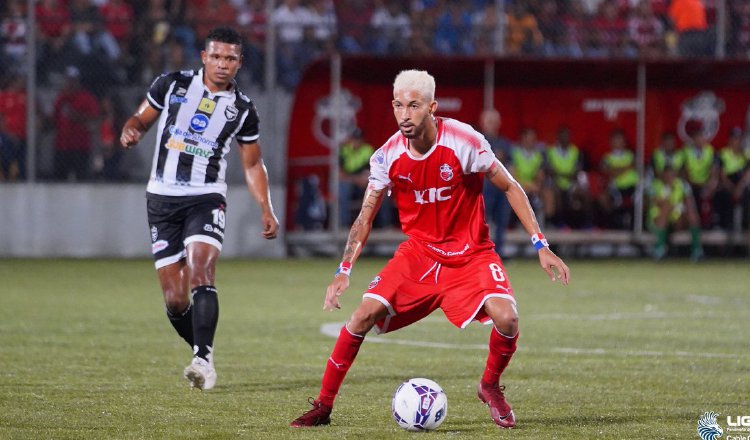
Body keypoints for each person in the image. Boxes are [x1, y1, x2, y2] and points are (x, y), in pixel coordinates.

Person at [290, 69, 570, 429]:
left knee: (508, 318)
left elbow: (511, 186)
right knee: (360, 316)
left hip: (471, 254)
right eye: (398, 106)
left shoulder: (464, 141)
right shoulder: (386, 157)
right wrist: (343, 271)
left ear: (432, 107)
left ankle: (489, 386)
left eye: (414, 106)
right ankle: (323, 406)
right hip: (419, 255)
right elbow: (364, 218)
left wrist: (541, 244)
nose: (404, 115)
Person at [119, 26, 279, 390]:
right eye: (217, 56)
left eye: (231, 58)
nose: (223, 64)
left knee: (202, 270)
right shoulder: (171, 85)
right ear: (204, 57)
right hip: (161, 198)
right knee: (175, 299)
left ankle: (203, 361)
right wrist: (131, 130)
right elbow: (140, 118)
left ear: (239, 63)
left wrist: (266, 208)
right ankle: (201, 347)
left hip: (206, 197)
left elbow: (253, 164)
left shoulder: (242, 109)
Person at [648, 162, 703, 261]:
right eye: (668, 174)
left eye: (672, 174)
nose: (670, 177)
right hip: (658, 220)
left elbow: (689, 202)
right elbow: (654, 201)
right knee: (666, 206)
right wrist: (671, 203)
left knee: (691, 212)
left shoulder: (683, 185)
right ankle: (659, 249)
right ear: (663, 175)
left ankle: (697, 250)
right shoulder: (655, 185)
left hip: (677, 218)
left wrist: (682, 208)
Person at [478, 108, 512, 254]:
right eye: (489, 121)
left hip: (501, 187)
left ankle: (499, 252)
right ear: (483, 123)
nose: (492, 124)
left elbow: (511, 164)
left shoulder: (505, 143)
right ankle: (479, 251)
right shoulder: (478, 140)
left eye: (494, 121)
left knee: (501, 221)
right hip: (484, 187)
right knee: (482, 220)